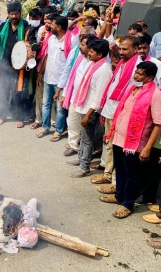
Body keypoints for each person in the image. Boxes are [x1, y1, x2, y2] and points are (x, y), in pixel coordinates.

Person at [101, 62, 161, 219]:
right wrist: (111, 132)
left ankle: (127, 204)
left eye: (140, 74)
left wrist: (148, 148)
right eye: (136, 72)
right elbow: (121, 111)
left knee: (132, 175)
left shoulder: (155, 94)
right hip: (119, 139)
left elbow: (158, 124)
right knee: (119, 170)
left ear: (150, 77)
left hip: (135, 144)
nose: (136, 76)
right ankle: (119, 196)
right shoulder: (132, 89)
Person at [92, 36, 141, 187]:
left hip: (121, 114)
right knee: (109, 145)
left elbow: (137, 93)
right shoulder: (122, 62)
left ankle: (115, 183)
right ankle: (107, 174)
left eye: (125, 49)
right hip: (110, 110)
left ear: (135, 49)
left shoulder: (137, 67)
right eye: (120, 48)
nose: (121, 52)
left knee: (116, 148)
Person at [69, 39, 112, 178]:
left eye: (92, 51)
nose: (89, 53)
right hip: (84, 107)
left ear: (100, 54)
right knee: (83, 136)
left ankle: (84, 166)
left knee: (87, 139)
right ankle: (81, 158)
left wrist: (88, 114)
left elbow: (99, 97)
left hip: (91, 110)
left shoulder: (104, 69)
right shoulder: (94, 64)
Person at [0, 2, 35, 127]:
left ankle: (18, 117)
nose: (14, 16)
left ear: (20, 14)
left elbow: (32, 41)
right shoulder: (4, 26)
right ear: (8, 15)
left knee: (18, 92)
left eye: (16, 13)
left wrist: (31, 49)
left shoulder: (26, 26)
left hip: (19, 66)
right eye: (11, 14)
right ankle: (3, 115)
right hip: (4, 64)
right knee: (3, 91)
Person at [35, 15, 78, 140]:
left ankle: (58, 131)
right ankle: (45, 127)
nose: (49, 26)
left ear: (58, 27)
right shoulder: (51, 39)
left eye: (52, 25)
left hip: (62, 81)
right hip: (48, 77)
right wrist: (41, 73)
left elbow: (72, 63)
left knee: (60, 108)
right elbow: (47, 56)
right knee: (46, 104)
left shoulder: (72, 40)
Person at [60, 30, 96, 157]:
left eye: (83, 45)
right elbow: (72, 76)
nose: (80, 47)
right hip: (74, 96)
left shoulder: (96, 62)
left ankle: (84, 153)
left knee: (86, 129)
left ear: (91, 47)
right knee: (73, 122)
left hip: (87, 100)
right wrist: (65, 93)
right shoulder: (80, 58)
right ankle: (73, 145)